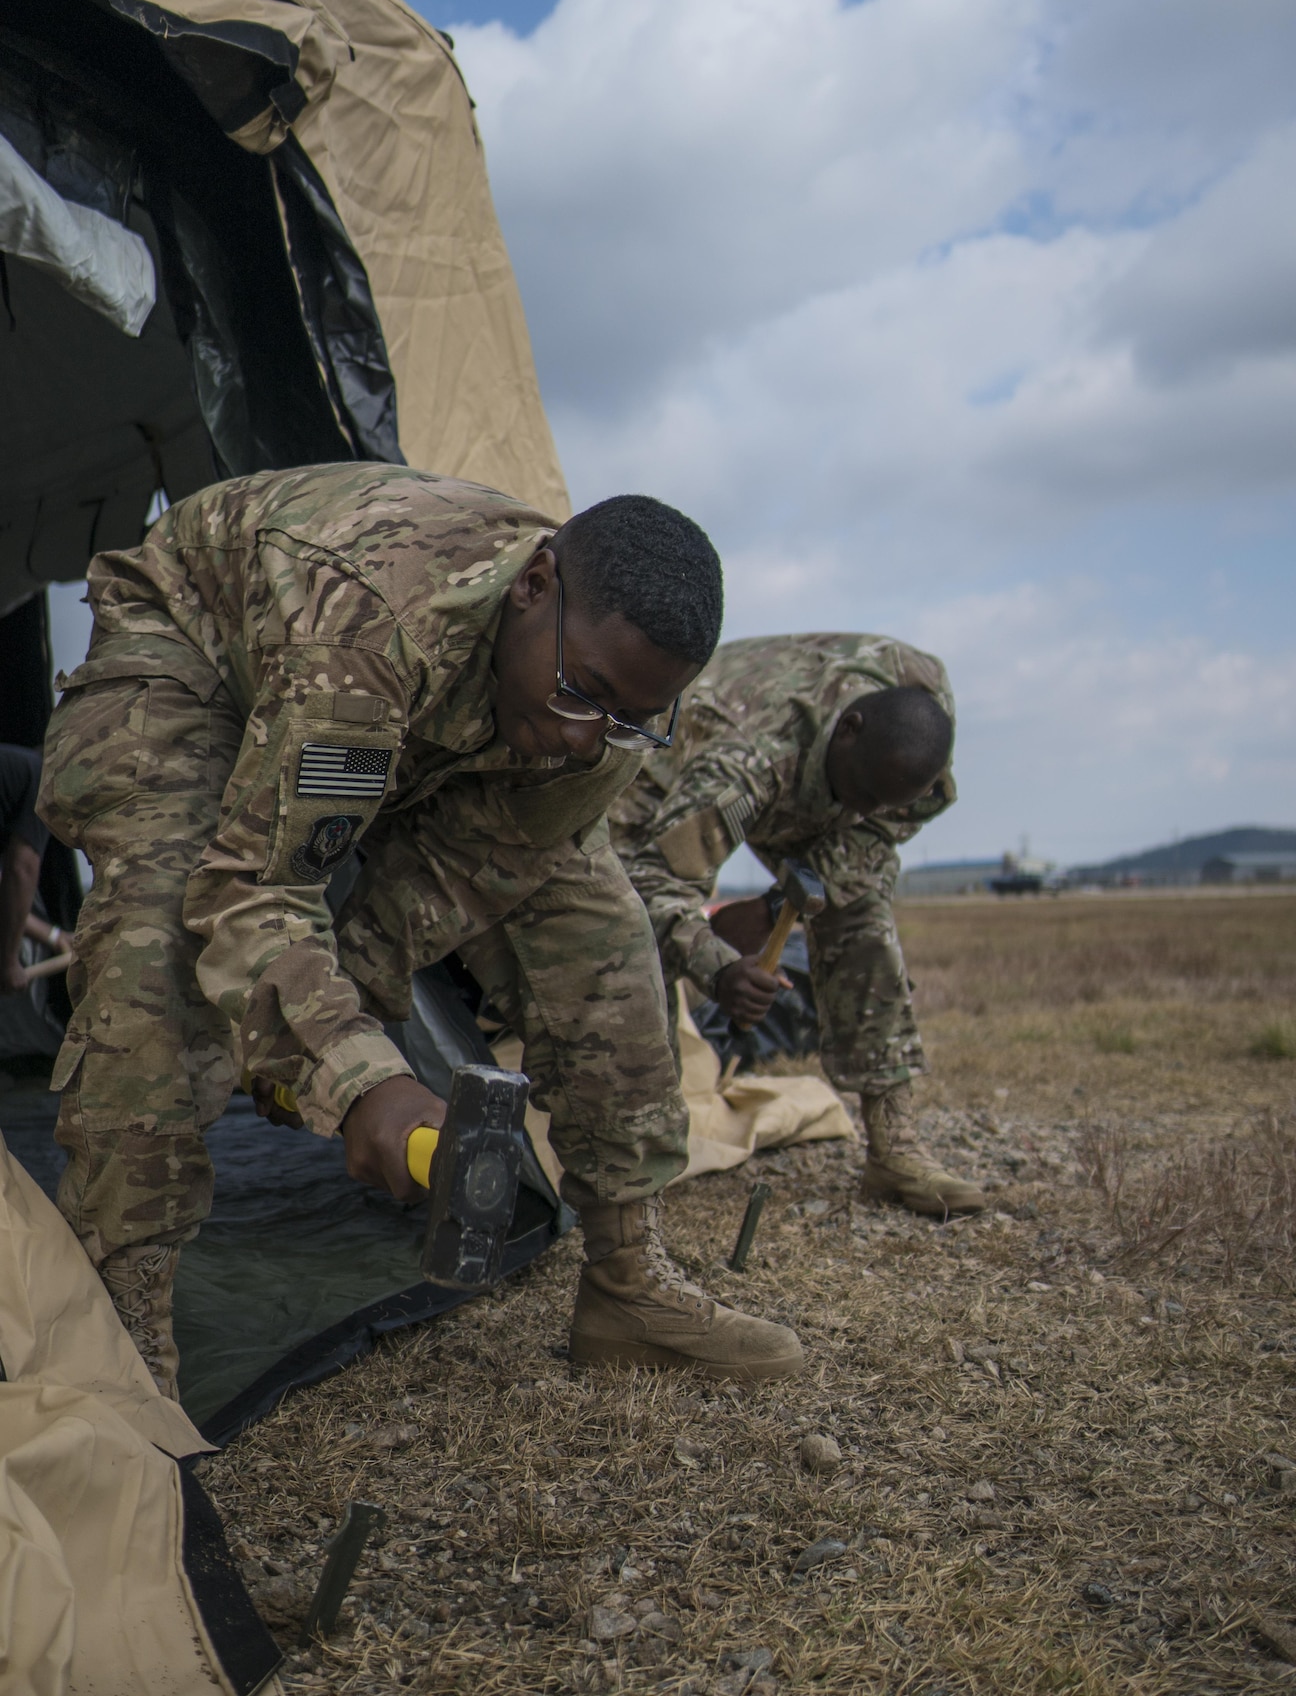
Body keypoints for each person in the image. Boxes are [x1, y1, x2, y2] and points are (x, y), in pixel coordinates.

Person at [37, 467, 803, 1395]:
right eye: (583, 693)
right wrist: (358, 1076)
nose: (584, 739)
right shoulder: (371, 620)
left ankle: (627, 1280)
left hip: (415, 700)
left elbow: (465, 871)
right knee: (160, 935)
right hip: (192, 649)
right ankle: (120, 1328)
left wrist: (335, 1030)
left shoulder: (605, 712)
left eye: (629, 719)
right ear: (534, 585)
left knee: (599, 930)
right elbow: (255, 887)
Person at [608, 633, 987, 1217]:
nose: (861, 814)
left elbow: (877, 830)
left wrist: (774, 909)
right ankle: (636, 1150)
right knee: (621, 928)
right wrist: (719, 966)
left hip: (813, 764)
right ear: (850, 729)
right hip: (670, 755)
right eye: (860, 795)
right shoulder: (746, 762)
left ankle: (896, 1150)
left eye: (881, 804)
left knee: (861, 915)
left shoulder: (919, 698)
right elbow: (654, 884)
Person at [0, 743, 52, 993]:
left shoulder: (15, 772)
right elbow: (22, 870)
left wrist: (52, 936)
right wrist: (8, 964)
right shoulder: (43, 779)